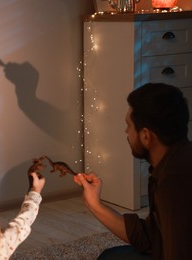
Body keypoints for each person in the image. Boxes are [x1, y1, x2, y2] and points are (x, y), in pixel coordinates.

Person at [74, 83, 192, 259]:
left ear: (146, 136)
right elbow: (149, 236)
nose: (126, 131)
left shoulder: (174, 182)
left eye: (129, 126)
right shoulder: (173, 162)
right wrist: (95, 204)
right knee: (111, 256)